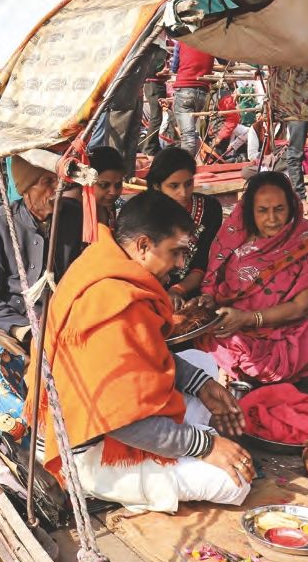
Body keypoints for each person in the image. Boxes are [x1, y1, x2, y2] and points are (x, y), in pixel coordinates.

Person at [25, 190, 253, 513]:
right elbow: (121, 422)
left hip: (105, 412)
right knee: (236, 483)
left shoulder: (104, 262)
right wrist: (206, 446)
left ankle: (189, 441)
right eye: (175, 253)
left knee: (202, 362)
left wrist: (202, 384)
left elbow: (143, 351)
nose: (178, 266)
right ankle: (121, 487)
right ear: (143, 246)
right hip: (88, 447)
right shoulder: (113, 297)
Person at [199, 171, 308, 384]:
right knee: (212, 337)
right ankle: (298, 370)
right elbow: (213, 280)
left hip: (287, 330)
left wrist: (249, 318)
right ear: (250, 211)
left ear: (292, 207)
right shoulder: (234, 233)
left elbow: (301, 307)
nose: (272, 219)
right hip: (235, 330)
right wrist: (207, 300)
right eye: (262, 211)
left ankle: (239, 371)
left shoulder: (307, 241)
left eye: (279, 209)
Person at [0, 151, 83, 363]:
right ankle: (30, 368)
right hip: (15, 329)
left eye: (60, 181)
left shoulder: (75, 216)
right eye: (47, 182)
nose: (58, 189)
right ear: (25, 189)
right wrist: (25, 329)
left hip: (63, 327)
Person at [146, 147, 223, 307]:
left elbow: (203, 262)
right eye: (173, 186)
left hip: (194, 292)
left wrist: (178, 290)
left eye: (188, 184)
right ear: (156, 186)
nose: (183, 193)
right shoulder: (144, 213)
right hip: (149, 292)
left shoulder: (209, 208)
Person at [171, 41, 214, 155]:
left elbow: (174, 68)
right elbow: (226, 60)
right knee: (190, 132)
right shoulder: (212, 42)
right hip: (202, 93)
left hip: (184, 90)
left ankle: (185, 168)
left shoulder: (182, 42)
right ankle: (188, 164)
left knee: (187, 135)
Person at [88, 145, 125, 228]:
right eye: (104, 185)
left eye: (118, 185)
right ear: (86, 182)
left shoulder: (110, 207)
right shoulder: (75, 213)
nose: (113, 192)